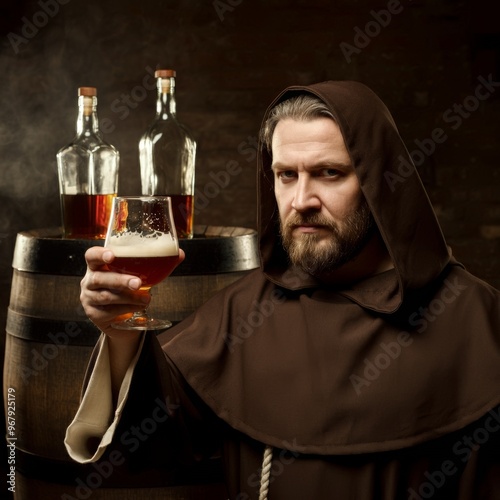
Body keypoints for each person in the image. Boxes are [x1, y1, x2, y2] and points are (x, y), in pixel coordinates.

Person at [65, 80, 500, 500]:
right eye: (286, 175)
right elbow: (148, 443)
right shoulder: (244, 313)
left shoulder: (474, 317)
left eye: (329, 173)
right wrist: (120, 332)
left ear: (381, 182)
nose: (301, 199)